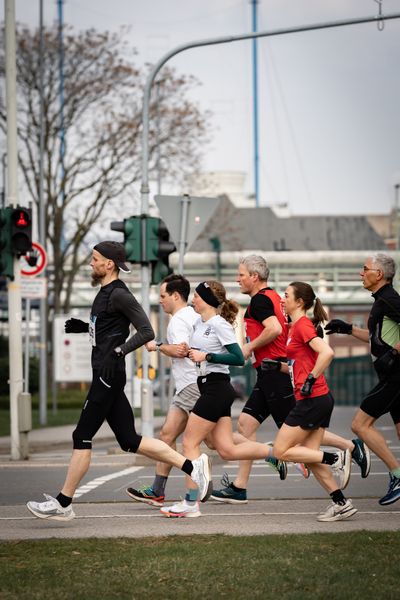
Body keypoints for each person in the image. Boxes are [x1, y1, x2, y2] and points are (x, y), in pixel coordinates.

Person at [26, 242, 210, 521]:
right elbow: (111, 328)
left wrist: (120, 350)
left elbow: (146, 331)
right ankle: (192, 467)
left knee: (81, 436)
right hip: (106, 373)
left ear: (109, 264)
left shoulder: (120, 294)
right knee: (128, 439)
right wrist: (86, 327)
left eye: (95, 259)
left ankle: (64, 503)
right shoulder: (104, 294)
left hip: (108, 375)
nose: (91, 263)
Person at [212, 255, 368, 505]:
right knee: (245, 425)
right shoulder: (273, 297)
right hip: (270, 374)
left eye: (241, 275)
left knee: (299, 438)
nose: (237, 279)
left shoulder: (261, 301)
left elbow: (273, 328)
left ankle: (348, 450)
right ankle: (240, 487)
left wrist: (249, 347)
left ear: (254, 276)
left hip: (276, 375)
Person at [160, 280, 292, 519]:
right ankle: (274, 453)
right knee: (226, 449)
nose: (194, 300)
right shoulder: (199, 323)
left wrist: (207, 355)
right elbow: (194, 349)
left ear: (207, 300)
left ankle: (190, 503)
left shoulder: (220, 325)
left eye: (198, 297)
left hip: (216, 389)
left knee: (189, 443)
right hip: (209, 387)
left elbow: (238, 358)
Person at [267, 281, 358, 522]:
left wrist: (310, 379)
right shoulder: (293, 327)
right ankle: (341, 503)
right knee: (309, 455)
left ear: (299, 302)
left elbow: (327, 353)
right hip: (317, 398)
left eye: (285, 296)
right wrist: (278, 366)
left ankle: (337, 457)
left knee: (281, 451)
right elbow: (301, 362)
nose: (282, 300)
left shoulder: (303, 326)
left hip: (313, 399)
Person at [325, 252, 400, 506]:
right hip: (391, 375)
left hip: (395, 376)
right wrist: (345, 328)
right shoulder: (381, 300)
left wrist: (395, 351)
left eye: (364, 268)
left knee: (360, 425)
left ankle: (397, 476)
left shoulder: (389, 298)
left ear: (378, 274)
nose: (361, 272)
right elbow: (374, 336)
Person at [126, 274, 199, 507]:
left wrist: (156, 346)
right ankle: (157, 490)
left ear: (176, 296)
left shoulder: (179, 320)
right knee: (167, 436)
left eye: (163, 295)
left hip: (191, 386)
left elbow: (180, 351)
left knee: (220, 444)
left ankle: (273, 455)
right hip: (188, 387)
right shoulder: (192, 315)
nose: (160, 300)